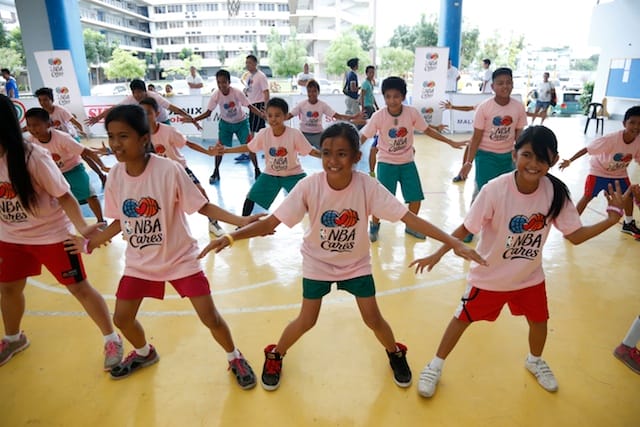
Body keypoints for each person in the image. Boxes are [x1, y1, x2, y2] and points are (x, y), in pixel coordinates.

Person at [199, 122, 487, 391]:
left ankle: (395, 352)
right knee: (306, 320)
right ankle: (276, 353)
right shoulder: (309, 186)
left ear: (356, 157)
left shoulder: (367, 186)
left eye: (341, 154)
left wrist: (452, 241)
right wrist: (232, 236)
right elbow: (271, 223)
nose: (332, 160)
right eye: (326, 153)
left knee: (373, 319)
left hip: (355, 264)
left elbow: (408, 218)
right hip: (318, 263)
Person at [412, 125, 631, 398]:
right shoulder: (495, 190)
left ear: (553, 160)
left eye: (542, 158)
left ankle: (535, 360)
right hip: (490, 277)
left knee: (539, 321)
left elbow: (574, 236)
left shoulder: (556, 192)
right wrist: (439, 252)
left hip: (529, 278)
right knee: (462, 319)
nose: (533, 164)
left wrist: (611, 220)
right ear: (514, 154)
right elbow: (466, 228)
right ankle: (435, 365)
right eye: (527, 155)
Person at [65, 104, 262, 386]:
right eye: (111, 136)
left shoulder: (169, 170)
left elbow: (202, 206)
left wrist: (240, 221)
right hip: (140, 263)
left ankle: (234, 357)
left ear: (144, 138)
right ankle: (144, 352)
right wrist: (92, 241)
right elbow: (120, 220)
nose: (116, 144)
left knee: (210, 317)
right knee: (122, 318)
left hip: (180, 259)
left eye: (123, 136)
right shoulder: (116, 176)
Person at [0, 94, 122, 369]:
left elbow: (65, 196)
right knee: (8, 288)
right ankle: (13, 338)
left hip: (51, 235)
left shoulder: (33, 157)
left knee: (79, 287)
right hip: (10, 237)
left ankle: (111, 338)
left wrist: (83, 227)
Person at [360, 76, 467, 242]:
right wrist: (350, 151)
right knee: (382, 200)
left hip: (407, 162)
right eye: (388, 96)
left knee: (415, 198)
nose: (392, 100)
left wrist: (450, 142)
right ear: (384, 97)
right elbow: (364, 136)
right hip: (386, 163)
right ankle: (374, 225)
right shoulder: (378, 116)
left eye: (396, 96)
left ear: (403, 96)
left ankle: (411, 226)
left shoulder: (411, 113)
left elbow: (428, 130)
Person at [215, 97, 320, 216]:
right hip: (270, 174)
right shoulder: (264, 133)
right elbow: (249, 147)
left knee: (311, 198)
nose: (273, 119)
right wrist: (226, 150)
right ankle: (242, 223)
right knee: (251, 197)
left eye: (277, 115)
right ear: (266, 116)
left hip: (293, 174)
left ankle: (318, 222)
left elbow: (310, 151)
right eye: (270, 115)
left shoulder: (294, 134)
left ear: (285, 116)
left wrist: (327, 156)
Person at [139, 97, 225, 237]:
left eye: (148, 112)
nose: (144, 116)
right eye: (141, 113)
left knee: (200, 192)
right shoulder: (140, 135)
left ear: (157, 113)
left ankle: (213, 222)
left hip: (180, 169)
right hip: (159, 175)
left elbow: (188, 143)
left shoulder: (168, 131)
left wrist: (208, 153)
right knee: (156, 203)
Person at [459, 67, 528, 242]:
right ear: (493, 86)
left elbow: (520, 136)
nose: (505, 86)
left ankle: (502, 229)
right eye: (500, 83)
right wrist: (468, 163)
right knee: (482, 193)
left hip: (508, 158)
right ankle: (469, 227)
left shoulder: (518, 107)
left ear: (512, 84)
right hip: (486, 156)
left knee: (507, 194)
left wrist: (521, 159)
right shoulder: (485, 108)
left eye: (508, 82)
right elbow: (476, 138)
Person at [559, 106, 640, 237]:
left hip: (619, 173)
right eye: (632, 122)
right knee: (587, 197)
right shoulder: (611, 139)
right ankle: (571, 227)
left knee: (628, 196)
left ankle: (628, 223)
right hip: (599, 171)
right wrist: (570, 160)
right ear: (624, 123)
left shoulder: (638, 141)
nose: (636, 127)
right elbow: (587, 149)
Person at [25, 108, 105, 223]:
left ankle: (101, 221)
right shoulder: (29, 142)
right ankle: (66, 223)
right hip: (52, 173)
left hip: (73, 169)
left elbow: (86, 152)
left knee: (90, 194)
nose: (32, 129)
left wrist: (102, 166)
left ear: (48, 124)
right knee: (56, 200)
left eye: (36, 125)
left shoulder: (62, 138)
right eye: (29, 125)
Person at [190, 69, 263, 183]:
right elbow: (208, 113)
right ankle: (216, 172)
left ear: (229, 82)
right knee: (219, 148)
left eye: (224, 82)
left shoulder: (237, 92)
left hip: (241, 123)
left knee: (250, 146)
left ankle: (257, 170)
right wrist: (193, 119)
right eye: (218, 82)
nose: (221, 85)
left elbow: (249, 106)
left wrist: (262, 115)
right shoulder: (216, 95)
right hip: (225, 124)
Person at [33, 87, 109, 188]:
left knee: (85, 156)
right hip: (56, 141)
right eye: (40, 100)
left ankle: (101, 175)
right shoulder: (41, 114)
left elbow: (76, 123)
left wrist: (82, 131)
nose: (42, 102)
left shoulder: (61, 111)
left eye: (45, 100)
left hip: (71, 138)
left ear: (52, 99)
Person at [85, 79, 201, 130]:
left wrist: (190, 117)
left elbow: (173, 108)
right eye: (134, 92)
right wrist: (98, 118)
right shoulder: (130, 99)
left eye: (140, 92)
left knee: (169, 144)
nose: (137, 95)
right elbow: (114, 109)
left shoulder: (155, 97)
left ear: (145, 91)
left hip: (162, 121)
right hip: (147, 124)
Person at [287, 79, 362, 149]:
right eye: (309, 91)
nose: (311, 94)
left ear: (318, 92)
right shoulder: (301, 104)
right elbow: (289, 115)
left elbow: (338, 116)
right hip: (303, 135)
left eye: (314, 91)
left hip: (318, 134)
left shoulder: (322, 105)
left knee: (327, 150)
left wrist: (354, 117)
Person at [239, 54, 270, 167]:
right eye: (246, 63)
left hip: (259, 105)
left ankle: (250, 152)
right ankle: (263, 151)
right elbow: (250, 90)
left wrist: (266, 107)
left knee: (253, 131)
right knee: (258, 130)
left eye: (250, 63)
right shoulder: (249, 76)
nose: (248, 65)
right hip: (251, 105)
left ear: (255, 63)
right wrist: (245, 91)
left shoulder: (261, 76)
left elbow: (266, 92)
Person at [440, 100, 476, 183]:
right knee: (469, 146)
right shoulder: (484, 105)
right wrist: (452, 107)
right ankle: (462, 174)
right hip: (482, 135)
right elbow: (469, 108)